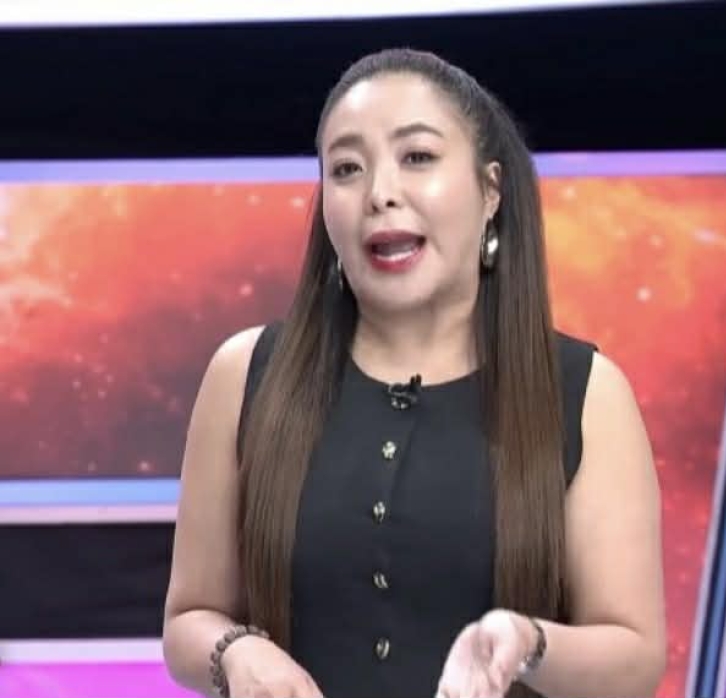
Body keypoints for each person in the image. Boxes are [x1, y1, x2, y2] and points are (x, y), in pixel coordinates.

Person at [162, 48, 666, 698]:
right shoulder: (244, 374)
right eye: (347, 168)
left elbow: (634, 660)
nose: (380, 193)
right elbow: (189, 619)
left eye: (418, 157)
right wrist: (236, 652)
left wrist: (526, 643)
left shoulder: (586, 392)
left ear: (490, 191)